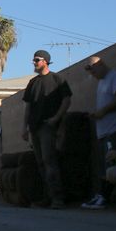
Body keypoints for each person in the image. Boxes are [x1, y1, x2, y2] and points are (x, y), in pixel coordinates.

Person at [21, 50, 72, 209]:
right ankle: (48, 197)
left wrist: (56, 118)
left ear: (45, 61)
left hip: (48, 126)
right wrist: (24, 127)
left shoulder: (57, 79)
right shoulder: (32, 82)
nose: (34, 62)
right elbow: (28, 107)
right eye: (33, 60)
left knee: (49, 160)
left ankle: (58, 198)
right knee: (41, 162)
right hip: (34, 127)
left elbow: (67, 100)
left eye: (37, 60)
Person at [81, 55, 116, 210]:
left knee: (112, 164)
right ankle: (100, 195)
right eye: (90, 72)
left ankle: (105, 197)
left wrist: (103, 111)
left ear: (101, 64)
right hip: (104, 132)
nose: (92, 74)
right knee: (103, 166)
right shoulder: (101, 83)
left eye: (93, 70)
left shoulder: (115, 76)